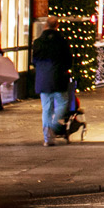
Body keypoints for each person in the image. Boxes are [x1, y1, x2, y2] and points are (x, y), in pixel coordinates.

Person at [33, 15, 75, 147]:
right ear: (57, 26)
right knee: (63, 103)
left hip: (43, 79)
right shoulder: (62, 41)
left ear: (46, 25)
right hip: (58, 78)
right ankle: (54, 124)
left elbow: (34, 61)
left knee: (46, 108)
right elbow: (69, 60)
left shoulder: (38, 42)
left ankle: (48, 138)